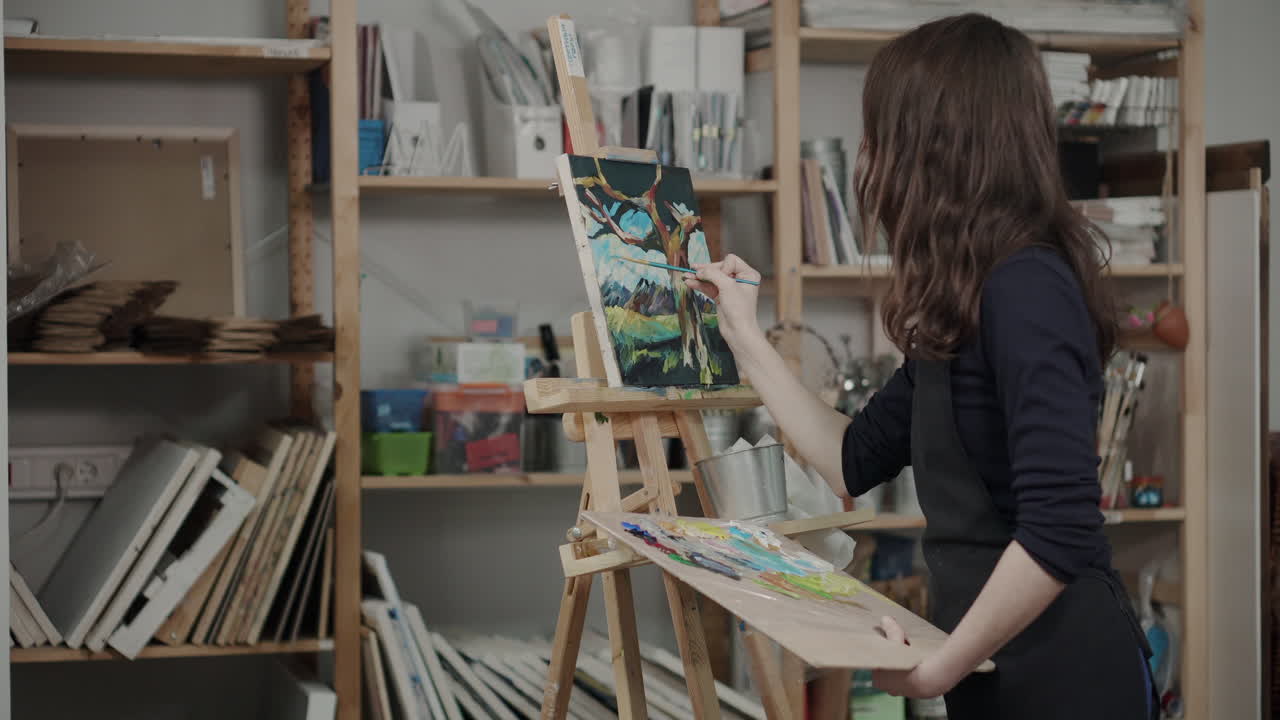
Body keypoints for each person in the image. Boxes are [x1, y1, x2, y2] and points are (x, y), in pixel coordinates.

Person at [685, 13, 1158, 720]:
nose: (869, 159)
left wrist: (942, 665)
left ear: (935, 145)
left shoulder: (1027, 288)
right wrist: (744, 336)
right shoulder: (970, 297)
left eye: (879, 134)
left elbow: (1061, 528)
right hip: (994, 672)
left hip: (1065, 679)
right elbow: (850, 458)